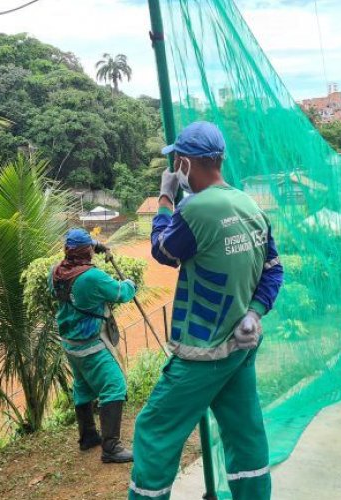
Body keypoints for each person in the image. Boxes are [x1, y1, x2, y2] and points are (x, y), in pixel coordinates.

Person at [129, 121, 284, 500]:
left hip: (202, 351)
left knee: (155, 429)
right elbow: (274, 269)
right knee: (244, 434)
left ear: (183, 163)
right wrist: (255, 312)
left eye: (175, 163)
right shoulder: (250, 206)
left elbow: (163, 251)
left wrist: (165, 200)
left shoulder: (195, 210)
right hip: (241, 345)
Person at [49, 228, 136, 463]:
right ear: (86, 252)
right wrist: (130, 282)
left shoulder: (56, 272)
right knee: (115, 385)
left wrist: (97, 244)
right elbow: (121, 293)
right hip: (91, 345)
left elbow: (83, 247)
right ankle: (111, 448)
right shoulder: (91, 278)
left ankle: (88, 436)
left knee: (83, 386)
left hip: (70, 343)